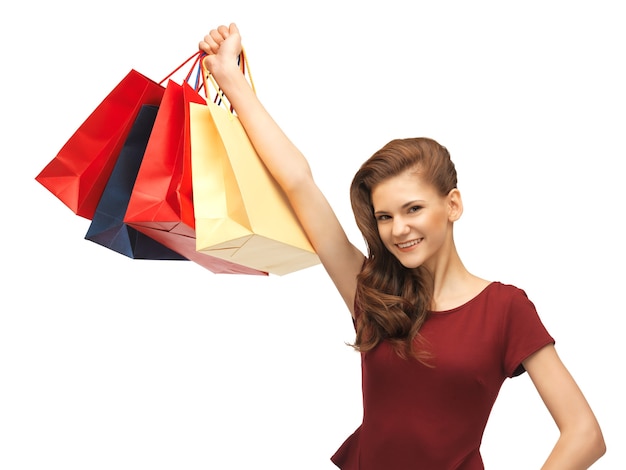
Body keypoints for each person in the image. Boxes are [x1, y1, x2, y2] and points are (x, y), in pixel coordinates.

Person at [199, 24, 606, 469]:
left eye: (413, 209)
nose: (398, 229)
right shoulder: (372, 293)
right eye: (385, 216)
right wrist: (230, 78)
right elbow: (298, 182)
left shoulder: (505, 309)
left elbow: (584, 434)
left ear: (452, 205)